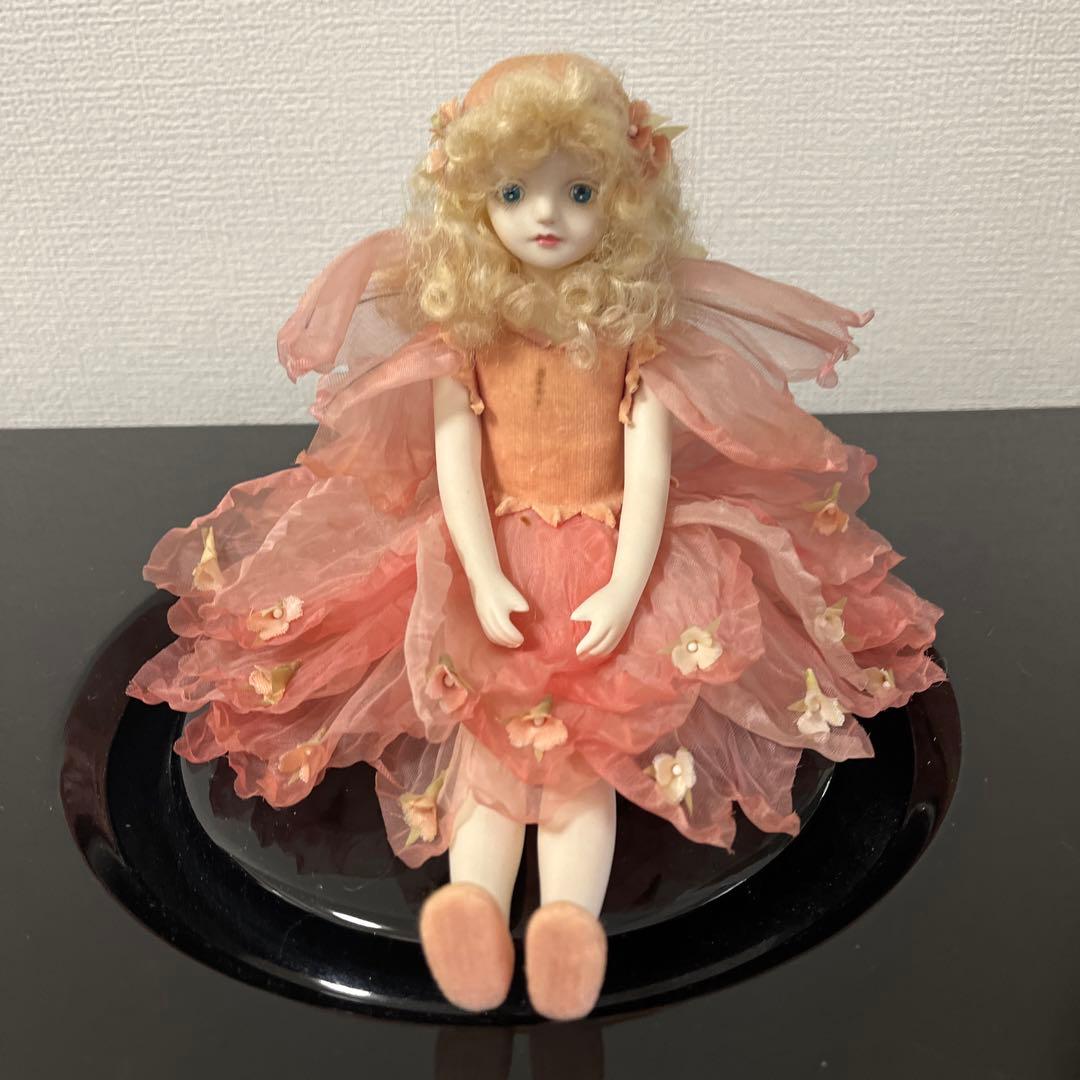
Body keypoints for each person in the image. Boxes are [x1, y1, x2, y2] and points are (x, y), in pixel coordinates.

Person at [127, 52, 945, 1021]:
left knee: (588, 745)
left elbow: (648, 470)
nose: (546, 216)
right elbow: (456, 465)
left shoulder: (634, 334)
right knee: (488, 732)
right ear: (474, 202)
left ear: (625, 200)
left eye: (579, 191)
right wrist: (479, 572)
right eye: (514, 193)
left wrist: (628, 585)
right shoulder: (465, 335)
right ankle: (473, 906)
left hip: (610, 551)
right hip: (494, 548)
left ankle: (566, 921)